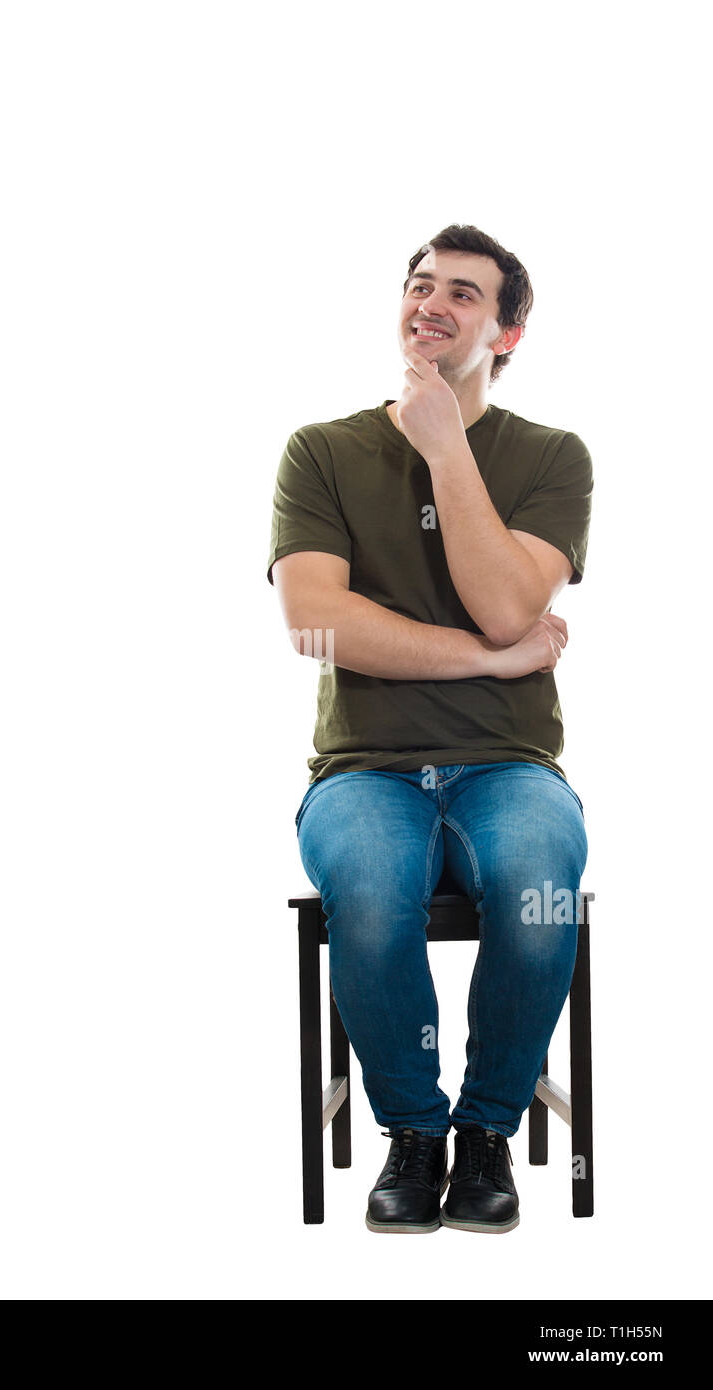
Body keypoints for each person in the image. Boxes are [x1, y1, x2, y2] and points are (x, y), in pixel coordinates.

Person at [266, 224, 593, 1235]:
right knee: (367, 893)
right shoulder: (320, 451)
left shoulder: (548, 457)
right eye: (418, 286)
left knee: (542, 888)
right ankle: (412, 1133)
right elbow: (313, 624)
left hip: (506, 767)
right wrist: (490, 661)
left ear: (507, 332)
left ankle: (485, 1128)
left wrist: (446, 443)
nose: (430, 305)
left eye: (461, 293)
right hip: (364, 771)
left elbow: (505, 604)